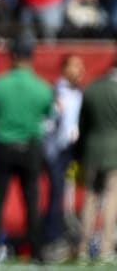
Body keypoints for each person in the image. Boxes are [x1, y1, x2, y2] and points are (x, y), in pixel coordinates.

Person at [0, 36, 52, 264]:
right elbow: (48, 117)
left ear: (12, 56)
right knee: (31, 201)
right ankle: (36, 252)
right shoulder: (42, 87)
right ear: (31, 57)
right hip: (30, 147)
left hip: (3, 146)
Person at [74, 59, 117, 264]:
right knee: (111, 200)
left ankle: (83, 248)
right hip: (114, 152)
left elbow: (82, 124)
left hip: (91, 151)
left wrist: (79, 152)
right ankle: (105, 248)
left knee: (89, 199)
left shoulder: (92, 88)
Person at [42, 54, 84, 249]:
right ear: (64, 69)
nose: (80, 71)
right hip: (58, 151)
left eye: (81, 67)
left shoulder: (79, 93)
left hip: (74, 150)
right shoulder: (56, 91)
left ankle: (73, 233)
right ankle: (52, 236)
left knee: (72, 192)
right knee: (56, 192)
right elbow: (49, 123)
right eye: (75, 66)